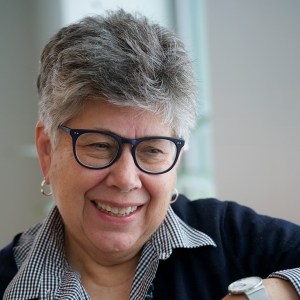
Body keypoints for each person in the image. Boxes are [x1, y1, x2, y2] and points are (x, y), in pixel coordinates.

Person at [0, 9, 299, 300]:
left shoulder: (232, 236)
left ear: (176, 159)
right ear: (47, 151)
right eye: (100, 146)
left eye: (152, 150)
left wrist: (268, 294)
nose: (126, 179)